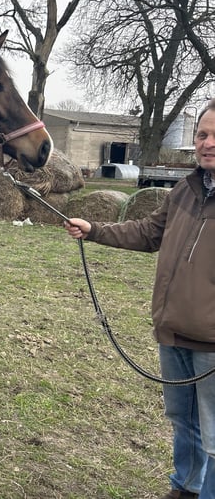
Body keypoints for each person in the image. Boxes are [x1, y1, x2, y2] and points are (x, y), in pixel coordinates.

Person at [63, 99, 215, 499]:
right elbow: (149, 232)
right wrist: (94, 228)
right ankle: (185, 486)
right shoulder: (185, 189)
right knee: (184, 421)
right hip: (173, 332)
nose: (207, 143)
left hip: (213, 343)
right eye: (202, 134)